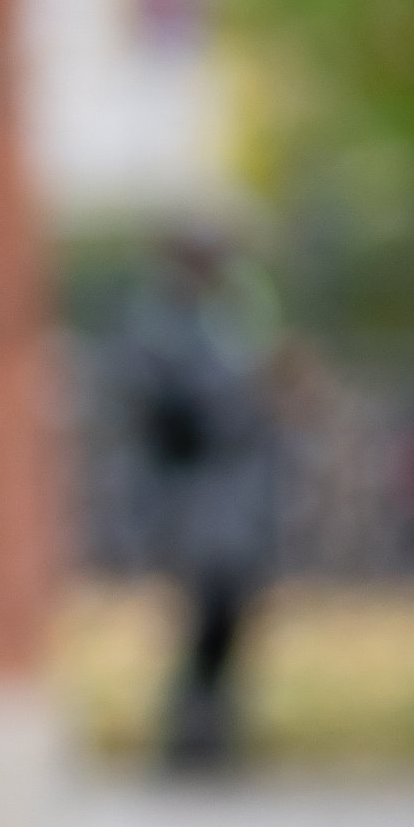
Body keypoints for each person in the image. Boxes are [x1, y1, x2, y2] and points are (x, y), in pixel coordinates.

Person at [127, 226, 282, 771]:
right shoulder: (161, 326)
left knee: (229, 617)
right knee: (202, 616)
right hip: (191, 498)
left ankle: (211, 733)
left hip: (235, 499)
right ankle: (189, 739)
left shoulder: (231, 323)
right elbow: (175, 417)